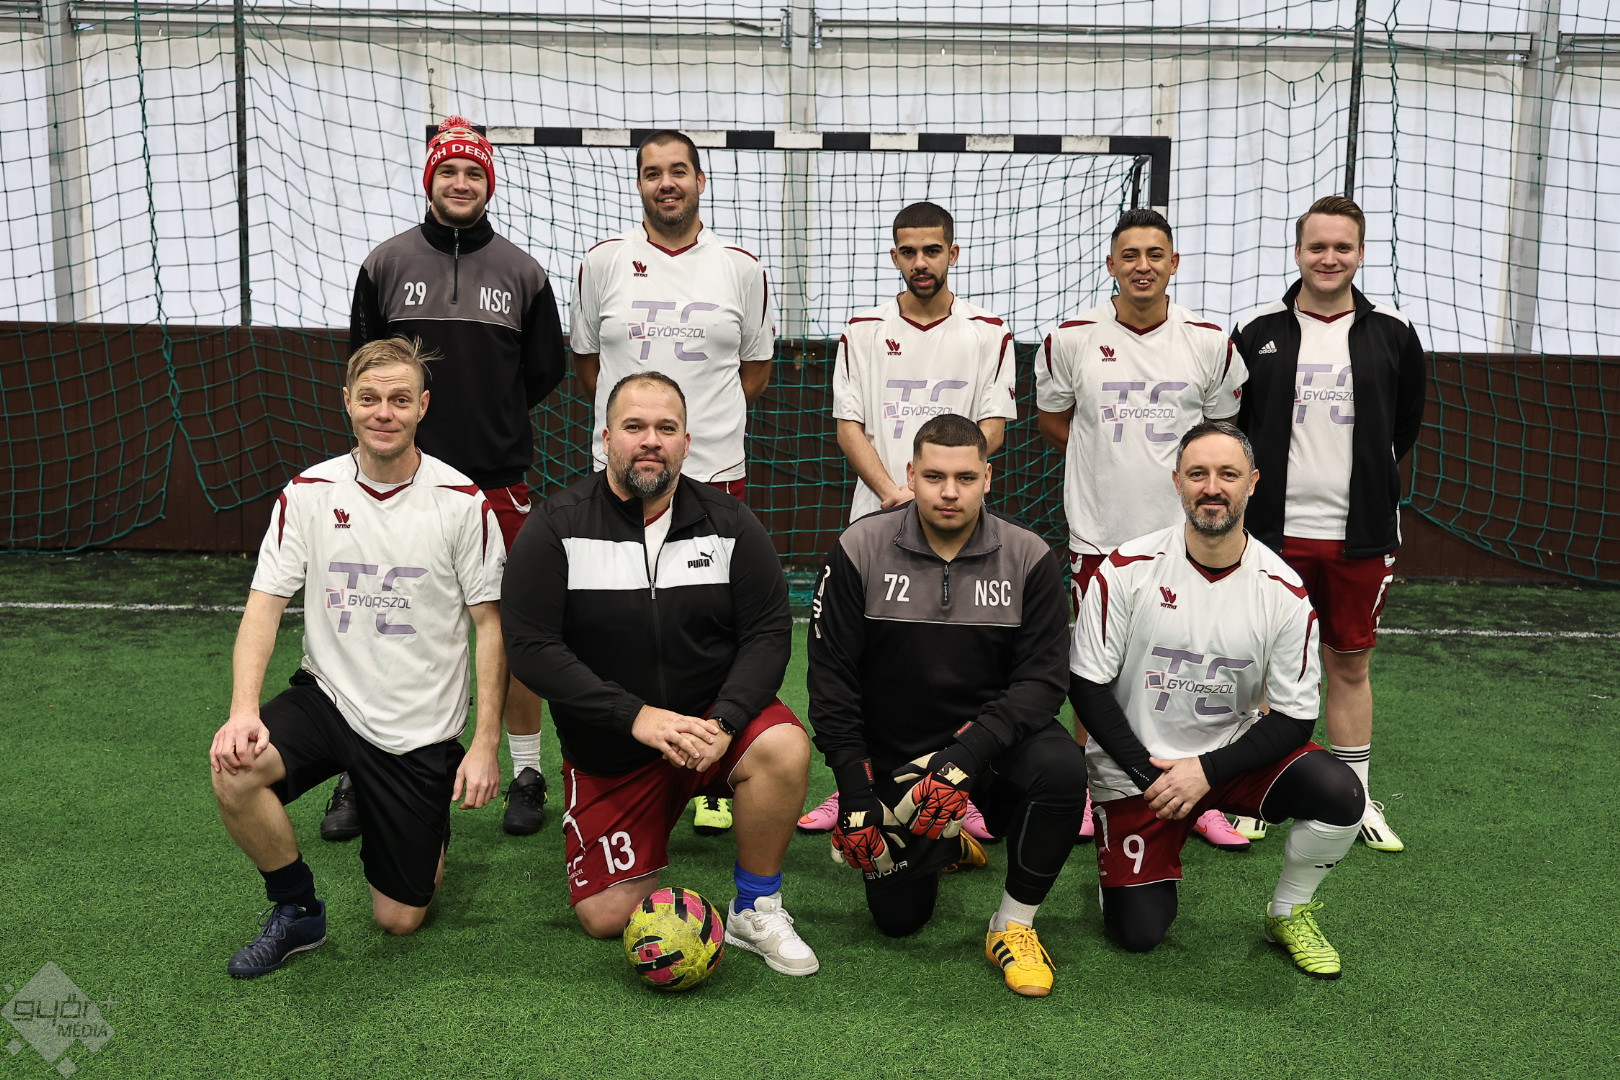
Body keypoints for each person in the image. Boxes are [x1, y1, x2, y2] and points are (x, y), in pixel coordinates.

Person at [500, 372, 819, 976]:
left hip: (710, 731)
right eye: (635, 426)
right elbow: (531, 648)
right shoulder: (556, 526)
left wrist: (726, 720)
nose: (651, 440)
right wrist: (635, 717)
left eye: (666, 428)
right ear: (605, 439)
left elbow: (768, 634)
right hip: (614, 750)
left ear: (687, 442)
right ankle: (646, 835)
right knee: (606, 916)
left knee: (782, 746)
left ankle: (755, 907)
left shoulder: (730, 522)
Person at [208, 337, 508, 977]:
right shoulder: (309, 493)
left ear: (423, 406)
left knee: (399, 919)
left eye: (400, 399)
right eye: (369, 398)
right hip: (329, 697)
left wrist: (485, 743)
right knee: (234, 768)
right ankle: (296, 909)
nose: (384, 412)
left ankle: (415, 819)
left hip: (417, 725)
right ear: (347, 402)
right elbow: (264, 606)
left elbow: (492, 626)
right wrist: (242, 711)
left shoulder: (462, 503)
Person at [336, 116, 567, 840]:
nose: (460, 183)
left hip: (498, 483)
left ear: (488, 184)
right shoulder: (385, 264)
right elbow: (366, 369)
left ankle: (524, 771)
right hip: (402, 484)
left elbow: (544, 370)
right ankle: (362, 770)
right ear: (429, 180)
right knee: (385, 623)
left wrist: (488, 419)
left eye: (473, 173)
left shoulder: (524, 273)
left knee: (517, 629)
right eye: (448, 171)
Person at [1069, 420, 1366, 979]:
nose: (1213, 488)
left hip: (1225, 760)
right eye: (1198, 474)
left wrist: (1205, 772)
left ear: (1251, 483)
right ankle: (1122, 877)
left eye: (1228, 474)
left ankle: (1288, 911)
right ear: (1176, 482)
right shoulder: (1126, 570)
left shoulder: (1283, 592)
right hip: (1138, 770)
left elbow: (1296, 718)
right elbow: (1086, 685)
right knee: (1139, 934)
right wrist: (1149, 774)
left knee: (1341, 793)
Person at [807, 413, 1088, 997]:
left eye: (965, 477)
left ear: (988, 478)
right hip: (900, 758)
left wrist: (964, 756)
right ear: (910, 475)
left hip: (989, 748)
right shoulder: (859, 547)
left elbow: (1042, 682)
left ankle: (1012, 924)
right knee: (898, 922)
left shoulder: (1029, 555)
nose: (949, 492)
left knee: (1062, 769)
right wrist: (854, 790)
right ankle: (946, 837)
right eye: (934, 477)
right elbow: (832, 680)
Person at [570, 128, 777, 836]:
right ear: (639, 183)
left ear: (700, 181)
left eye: (679, 170)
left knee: (715, 633)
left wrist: (694, 440)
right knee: (618, 627)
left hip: (716, 476)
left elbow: (755, 370)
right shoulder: (603, 262)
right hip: (623, 483)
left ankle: (713, 770)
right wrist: (642, 441)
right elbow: (589, 365)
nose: (667, 183)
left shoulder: (741, 268)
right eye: (653, 172)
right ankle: (623, 761)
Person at [799, 201, 1017, 840]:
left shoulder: (988, 332)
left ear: (953, 253)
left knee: (958, 660)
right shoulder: (863, 330)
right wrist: (895, 493)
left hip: (956, 524)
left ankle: (959, 785)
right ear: (894, 255)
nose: (921, 262)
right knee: (867, 660)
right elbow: (849, 426)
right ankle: (856, 782)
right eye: (908, 251)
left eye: (932, 250)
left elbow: (993, 428)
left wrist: (934, 486)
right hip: (879, 518)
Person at [1034, 208, 1251, 850]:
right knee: (1094, 669)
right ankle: (1087, 789)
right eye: (1129, 255)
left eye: (1155, 254)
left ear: (1174, 263)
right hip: (1099, 537)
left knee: (1188, 665)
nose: (1143, 266)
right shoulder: (1070, 339)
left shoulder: (1209, 341)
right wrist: (1106, 456)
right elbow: (1053, 421)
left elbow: (1220, 437)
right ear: (1111, 264)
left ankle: (1198, 791)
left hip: (1186, 540)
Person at [1229, 195, 1428, 852]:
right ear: (1298, 252)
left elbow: (1403, 425)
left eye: (1342, 246)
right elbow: (1237, 427)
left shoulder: (1394, 331)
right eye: (1317, 246)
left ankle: (1355, 799)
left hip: (1359, 536)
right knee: (1261, 666)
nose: (1329, 257)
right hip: (1269, 535)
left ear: (1360, 253)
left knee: (1348, 663)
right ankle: (1255, 792)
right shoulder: (1256, 329)